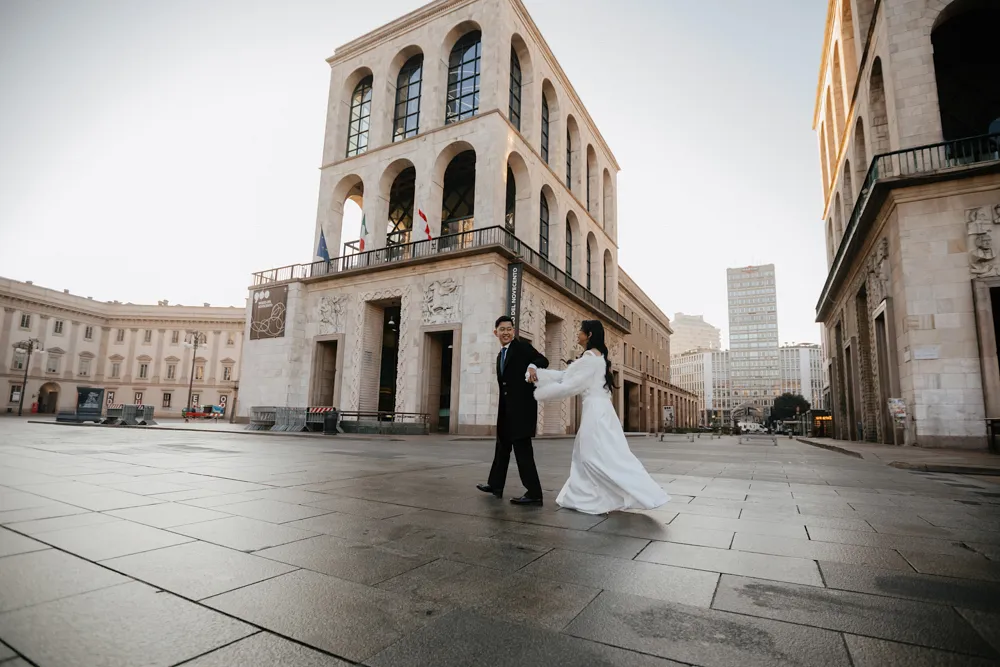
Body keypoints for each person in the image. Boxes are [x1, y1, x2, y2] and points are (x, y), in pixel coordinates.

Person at [530, 320, 670, 515]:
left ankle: (596, 497)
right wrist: (540, 375)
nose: (577, 334)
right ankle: (591, 495)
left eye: (580, 331)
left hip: (595, 413)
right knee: (600, 455)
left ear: (588, 335)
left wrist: (539, 394)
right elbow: (566, 376)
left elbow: (570, 385)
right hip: (601, 410)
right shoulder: (598, 357)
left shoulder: (589, 357)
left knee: (591, 456)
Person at [477, 315, 549, 505]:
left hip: (522, 411)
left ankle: (534, 493)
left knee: (523, 452)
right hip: (506, 412)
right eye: (502, 329)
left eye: (509, 329)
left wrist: (533, 366)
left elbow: (543, 359)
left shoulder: (522, 348)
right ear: (496, 333)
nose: (506, 332)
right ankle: (495, 485)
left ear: (513, 331)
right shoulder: (501, 355)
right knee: (502, 448)